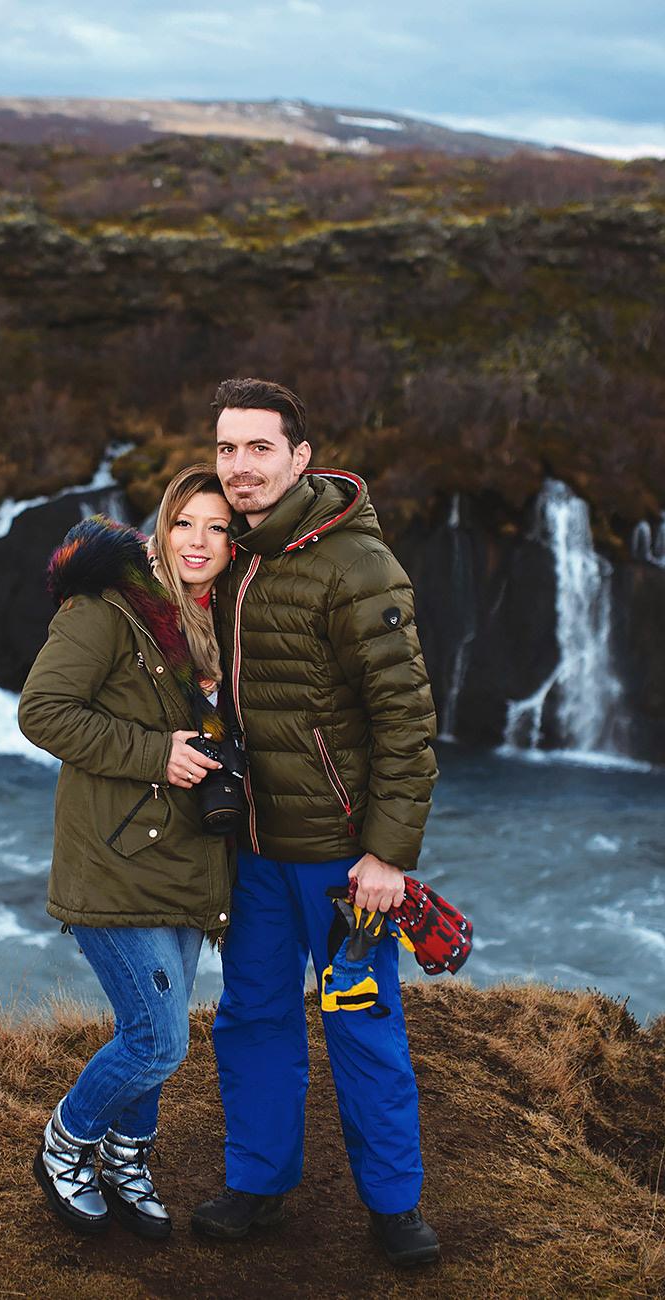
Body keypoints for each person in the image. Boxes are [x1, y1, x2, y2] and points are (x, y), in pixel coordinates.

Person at [191, 378, 443, 1266]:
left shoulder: (355, 563)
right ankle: (258, 1186)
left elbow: (406, 721)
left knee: (359, 1017)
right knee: (252, 1018)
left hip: (340, 866)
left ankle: (394, 1206)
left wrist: (387, 855)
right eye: (227, 449)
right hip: (254, 853)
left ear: (300, 457)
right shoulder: (225, 552)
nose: (240, 466)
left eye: (259, 448)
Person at [17, 466, 236, 1239]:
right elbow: (42, 712)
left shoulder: (218, 627)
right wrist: (153, 753)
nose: (200, 542)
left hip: (185, 862)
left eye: (217, 527)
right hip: (113, 862)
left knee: (158, 1028)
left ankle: (128, 1153)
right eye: (185, 525)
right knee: (158, 1037)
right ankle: (67, 1144)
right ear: (159, 532)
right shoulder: (106, 609)